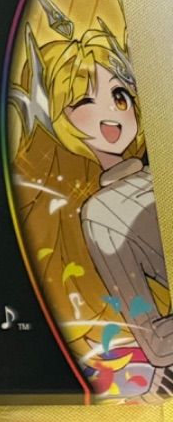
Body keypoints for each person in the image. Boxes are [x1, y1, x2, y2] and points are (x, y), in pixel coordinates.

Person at [14, 20, 171, 394]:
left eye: (119, 95)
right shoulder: (101, 212)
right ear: (56, 117)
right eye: (84, 101)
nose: (112, 114)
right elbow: (151, 334)